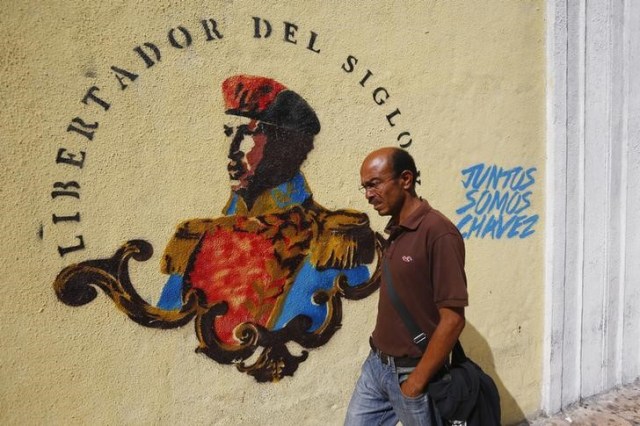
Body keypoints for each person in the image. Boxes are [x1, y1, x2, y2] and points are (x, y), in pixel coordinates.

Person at [155, 75, 376, 359]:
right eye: (228, 132)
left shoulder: (333, 237)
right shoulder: (197, 235)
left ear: (286, 146)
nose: (232, 149)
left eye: (248, 134)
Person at [345, 147, 468, 426]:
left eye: (374, 183)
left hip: (411, 374)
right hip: (376, 367)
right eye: (365, 187)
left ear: (406, 179)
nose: (367, 195)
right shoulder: (397, 228)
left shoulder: (438, 233)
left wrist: (415, 384)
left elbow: (453, 320)